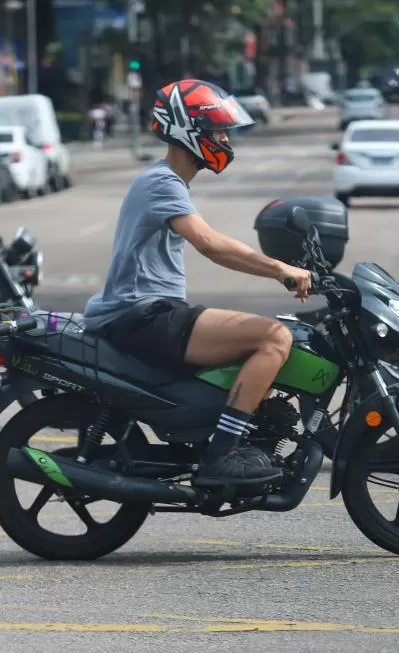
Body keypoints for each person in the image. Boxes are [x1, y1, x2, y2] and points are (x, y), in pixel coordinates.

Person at [82, 79, 312, 487]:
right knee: (274, 338)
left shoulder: (168, 182)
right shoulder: (161, 182)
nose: (224, 140)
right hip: (142, 314)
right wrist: (279, 269)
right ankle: (224, 453)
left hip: (150, 312)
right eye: (218, 131)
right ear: (188, 130)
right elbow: (211, 245)